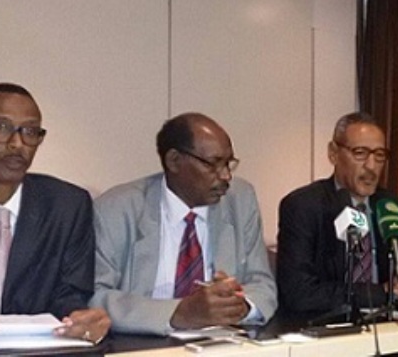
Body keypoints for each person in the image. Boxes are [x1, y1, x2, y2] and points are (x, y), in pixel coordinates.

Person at [90, 112, 277, 335]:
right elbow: (96, 296)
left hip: (222, 341)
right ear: (174, 161)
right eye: (213, 164)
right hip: (143, 343)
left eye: (228, 163)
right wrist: (179, 313)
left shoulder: (240, 198)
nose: (226, 176)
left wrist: (241, 306)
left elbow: (262, 283)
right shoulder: (117, 208)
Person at [0, 83, 110, 343]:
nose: (18, 144)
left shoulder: (67, 206)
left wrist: (82, 321)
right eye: (1, 128)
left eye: (31, 132)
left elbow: (70, 297)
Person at [277, 112, 398, 316]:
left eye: (380, 155)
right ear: (333, 153)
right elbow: (299, 292)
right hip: (329, 329)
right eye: (360, 153)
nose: (371, 166)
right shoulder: (304, 206)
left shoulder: (391, 206)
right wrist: (381, 293)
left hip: (391, 325)